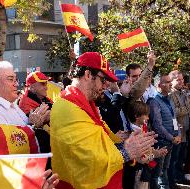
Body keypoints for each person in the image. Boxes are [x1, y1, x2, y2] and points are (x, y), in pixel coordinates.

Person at [50, 52, 157, 189]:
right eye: (103, 80)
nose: (106, 85)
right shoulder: (68, 108)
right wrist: (127, 151)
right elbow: (89, 159)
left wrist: (133, 148)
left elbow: (100, 146)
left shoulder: (84, 104)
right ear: (88, 75)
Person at [0, 61, 59, 187]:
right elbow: (10, 147)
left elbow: (22, 130)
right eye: (10, 79)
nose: (16, 83)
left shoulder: (11, 105)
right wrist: (35, 127)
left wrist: (34, 123)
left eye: (15, 79)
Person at [148, 74, 181, 189]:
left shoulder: (170, 99)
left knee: (165, 169)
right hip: (162, 142)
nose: (170, 84)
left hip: (171, 141)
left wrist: (178, 135)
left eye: (170, 81)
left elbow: (174, 119)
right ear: (159, 85)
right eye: (166, 82)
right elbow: (157, 125)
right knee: (157, 173)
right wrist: (172, 138)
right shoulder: (154, 102)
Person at [19, 71, 53, 168]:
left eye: (46, 83)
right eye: (42, 84)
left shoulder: (45, 99)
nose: (46, 86)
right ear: (32, 87)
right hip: (39, 152)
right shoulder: (25, 104)